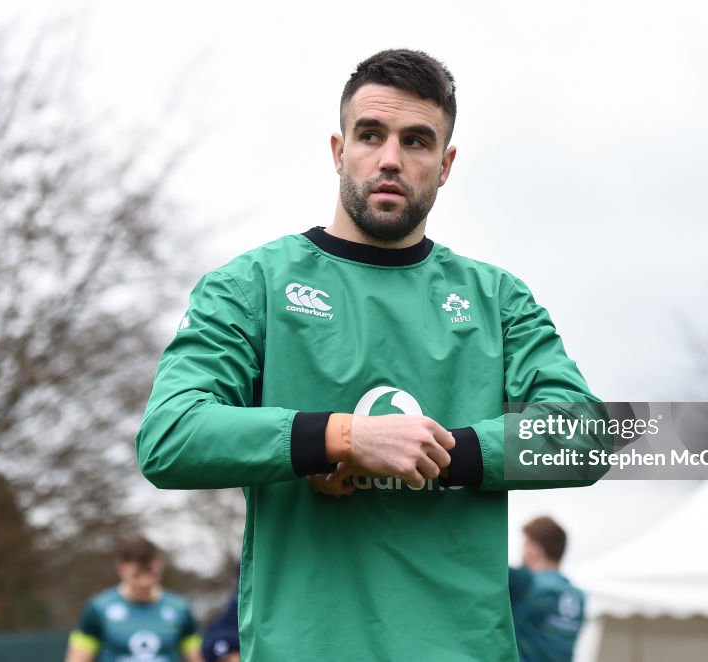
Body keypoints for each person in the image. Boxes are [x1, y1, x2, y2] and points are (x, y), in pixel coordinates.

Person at [136, 49, 610, 660]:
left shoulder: (497, 299)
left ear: (446, 164)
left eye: (417, 141)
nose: (391, 159)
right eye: (370, 135)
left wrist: (443, 452)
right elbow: (170, 435)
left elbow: (587, 435)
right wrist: (337, 438)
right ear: (339, 151)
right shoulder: (251, 284)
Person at [65, 536, 202, 662]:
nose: (145, 582)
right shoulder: (98, 608)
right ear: (121, 568)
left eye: (152, 574)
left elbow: (196, 657)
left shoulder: (180, 608)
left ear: (160, 566)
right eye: (137, 575)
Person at [510, 517, 587, 662]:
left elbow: (487, 568)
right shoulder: (579, 597)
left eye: (525, 544)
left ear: (534, 549)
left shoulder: (525, 582)